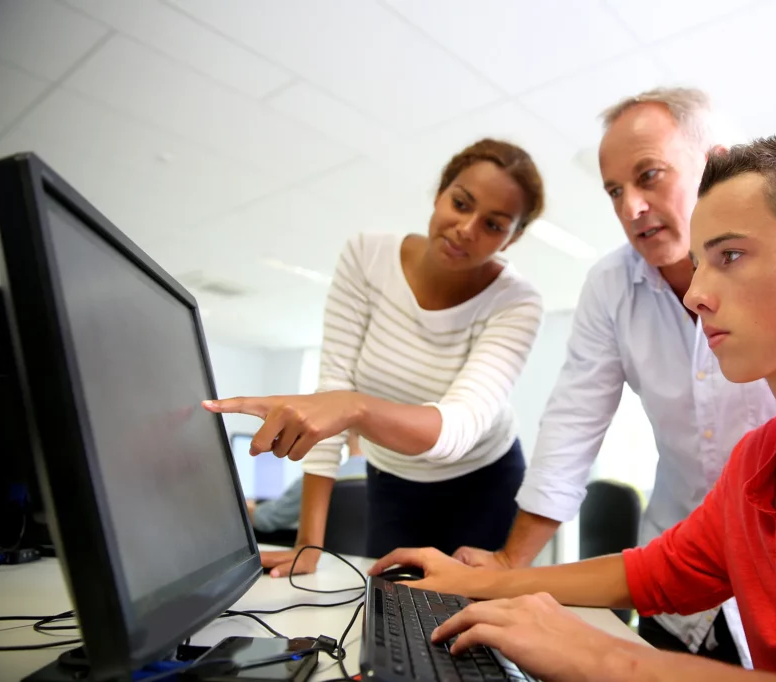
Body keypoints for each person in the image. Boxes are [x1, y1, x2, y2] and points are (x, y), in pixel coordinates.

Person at [370, 136, 776, 681]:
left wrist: (608, 659)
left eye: (729, 256)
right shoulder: (758, 463)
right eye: (700, 263)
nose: (698, 293)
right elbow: (652, 571)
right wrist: (480, 581)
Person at [204, 138, 545, 577]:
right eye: (461, 204)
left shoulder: (516, 301)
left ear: (513, 237)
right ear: (441, 192)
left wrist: (353, 408)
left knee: (473, 617)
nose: (467, 228)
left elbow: (458, 428)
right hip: (392, 479)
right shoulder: (368, 258)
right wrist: (309, 544)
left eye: (494, 225)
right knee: (389, 606)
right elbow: (332, 394)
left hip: (484, 480)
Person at [246, 431, 365, 536]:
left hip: (327, 558)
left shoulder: (319, 479)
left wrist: (244, 508)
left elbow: (268, 518)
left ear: (348, 431)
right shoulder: (382, 481)